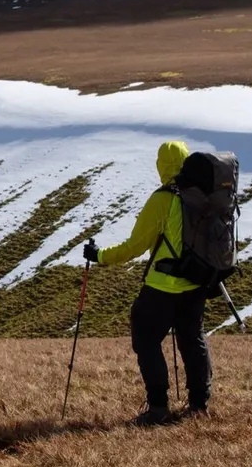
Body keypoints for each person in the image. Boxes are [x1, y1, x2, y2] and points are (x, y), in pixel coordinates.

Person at [83, 140, 211, 426]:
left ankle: (157, 407)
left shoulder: (163, 199)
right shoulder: (204, 195)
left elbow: (135, 246)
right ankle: (199, 406)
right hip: (196, 284)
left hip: (163, 287)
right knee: (193, 340)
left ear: (161, 165)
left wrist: (99, 255)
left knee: (147, 340)